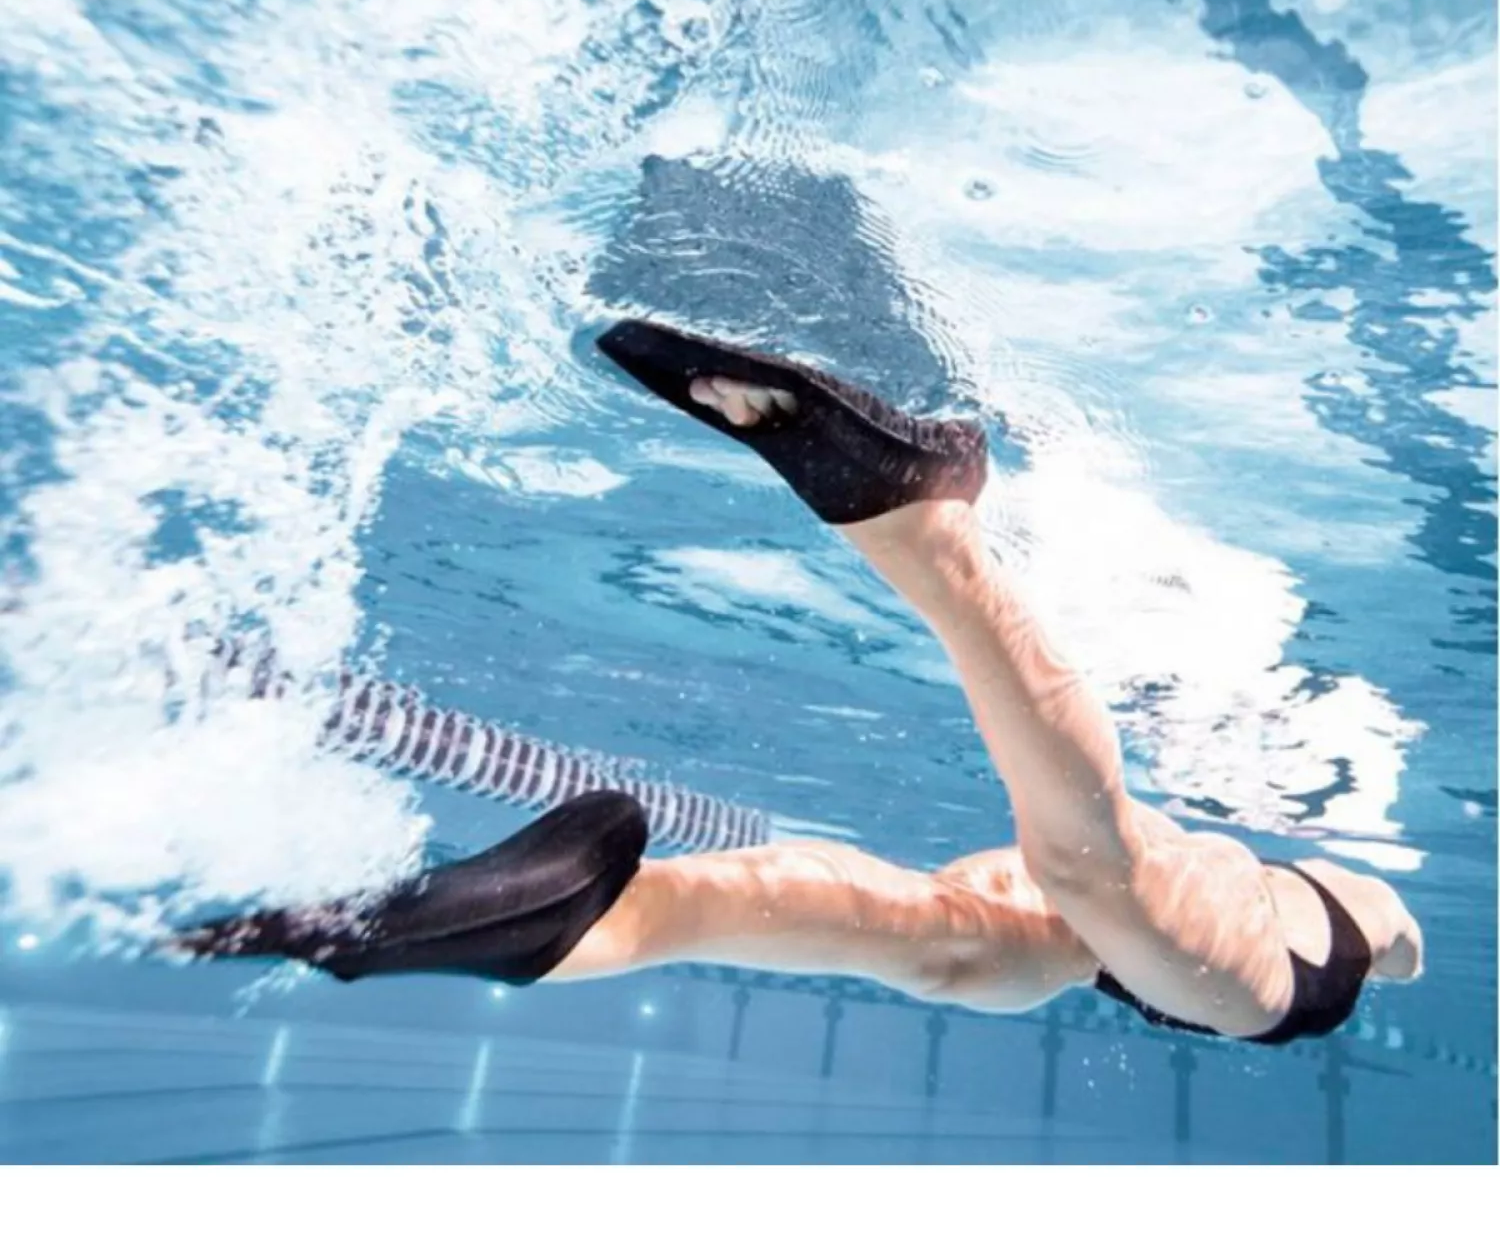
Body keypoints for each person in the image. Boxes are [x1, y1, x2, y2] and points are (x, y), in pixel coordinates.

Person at [175, 319, 1424, 1045]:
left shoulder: (1329, 892)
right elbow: (1394, 948)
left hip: (1134, 958)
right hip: (1214, 972)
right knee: (1045, 892)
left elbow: (1392, 942)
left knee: (946, 937)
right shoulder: (1346, 909)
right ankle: (924, 534)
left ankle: (515, 928)